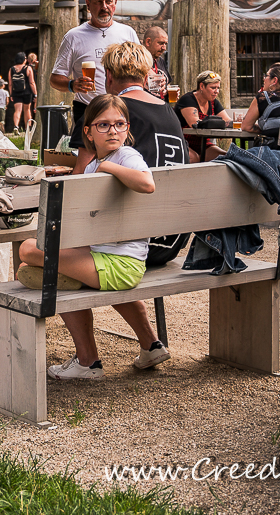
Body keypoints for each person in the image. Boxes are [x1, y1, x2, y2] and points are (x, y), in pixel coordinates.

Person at [17, 94, 170, 379]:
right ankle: (151, 345)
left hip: (118, 264)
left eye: (120, 124)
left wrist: (107, 167)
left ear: (127, 128)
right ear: (88, 132)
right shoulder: (94, 164)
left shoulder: (125, 156)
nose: (113, 131)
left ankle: (88, 363)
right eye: (104, 125)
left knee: (29, 251)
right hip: (118, 260)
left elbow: (147, 183)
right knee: (40, 263)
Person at [101, 41, 190, 265]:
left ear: (109, 75)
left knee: (33, 251)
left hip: (132, 243)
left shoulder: (108, 111)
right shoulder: (168, 110)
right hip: (170, 241)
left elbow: (80, 177)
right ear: (145, 76)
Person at [50, 0, 139, 140]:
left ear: (115, 2)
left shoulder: (128, 33)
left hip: (122, 110)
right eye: (98, 2)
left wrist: (156, 79)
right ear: (88, 4)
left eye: (108, 1)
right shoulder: (73, 36)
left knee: (120, 155)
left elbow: (141, 72)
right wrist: (72, 85)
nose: (104, 7)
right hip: (87, 109)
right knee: (86, 155)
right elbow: (55, 79)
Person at [175, 70, 233, 162]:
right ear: (201, 86)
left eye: (218, 88)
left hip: (203, 144)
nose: (217, 91)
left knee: (226, 158)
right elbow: (195, 124)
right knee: (194, 158)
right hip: (183, 142)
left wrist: (239, 122)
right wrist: (219, 124)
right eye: (213, 88)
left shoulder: (213, 102)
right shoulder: (188, 99)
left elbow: (227, 121)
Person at [240, 63, 280, 141]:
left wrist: (265, 128)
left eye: (266, 76)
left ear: (274, 80)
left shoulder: (263, 97)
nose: (263, 79)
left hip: (272, 147)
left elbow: (246, 127)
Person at [8, 51, 37, 132]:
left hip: (16, 92)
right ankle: (28, 128)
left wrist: (11, 94)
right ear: (24, 59)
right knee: (27, 110)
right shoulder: (28, 68)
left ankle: (16, 126)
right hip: (27, 92)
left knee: (17, 110)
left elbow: (10, 84)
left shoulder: (11, 69)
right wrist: (35, 93)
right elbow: (31, 82)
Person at [141, 26, 171, 100]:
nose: (164, 48)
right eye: (161, 43)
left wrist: (169, 91)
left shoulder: (160, 60)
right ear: (148, 42)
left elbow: (168, 83)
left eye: (165, 44)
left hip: (162, 104)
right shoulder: (137, 61)